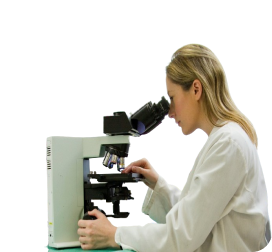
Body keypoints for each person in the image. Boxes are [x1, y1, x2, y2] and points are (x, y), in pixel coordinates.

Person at [77, 44, 271, 251]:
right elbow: (199, 213)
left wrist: (115, 234)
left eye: (172, 97)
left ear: (196, 89)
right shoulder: (225, 138)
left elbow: (183, 234)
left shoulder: (228, 143)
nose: (170, 112)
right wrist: (158, 184)